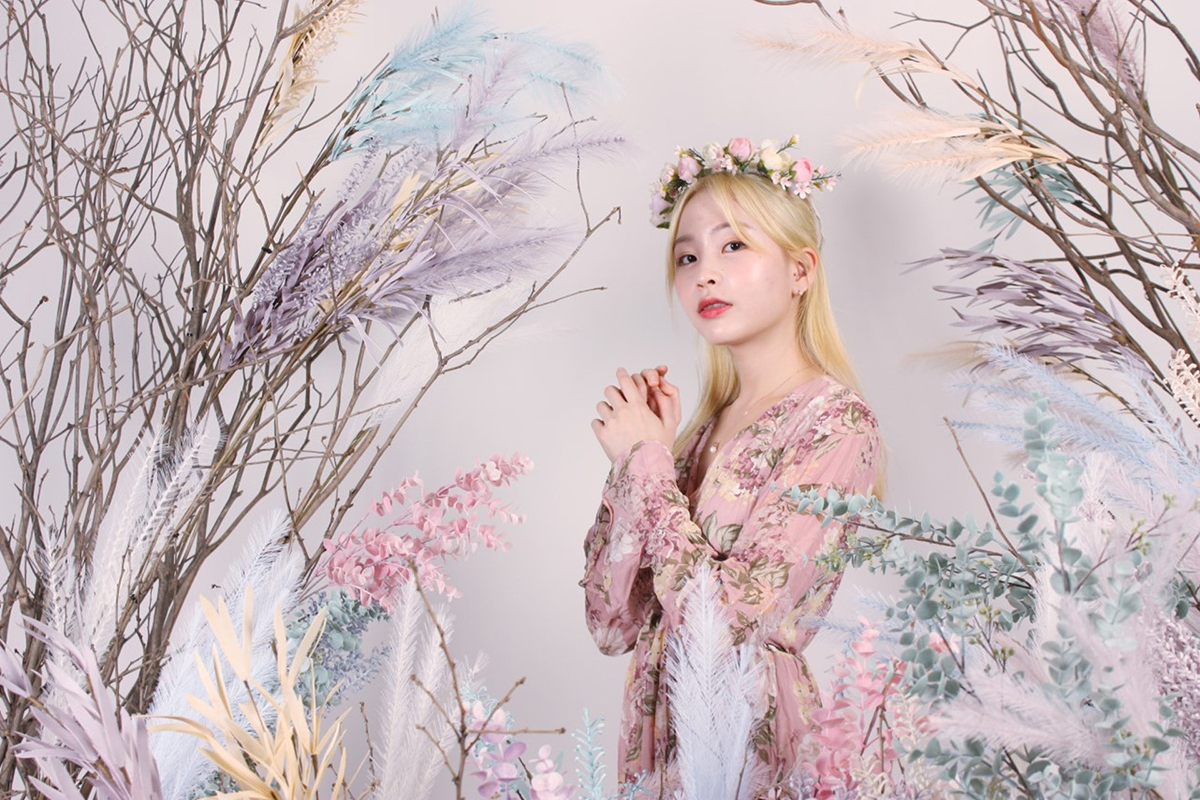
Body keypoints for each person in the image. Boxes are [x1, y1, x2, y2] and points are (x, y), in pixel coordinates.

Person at [581, 137, 885, 797]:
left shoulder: (834, 423)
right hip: (654, 754)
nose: (704, 275)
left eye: (734, 246)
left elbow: (727, 622)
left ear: (800, 270)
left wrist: (645, 465)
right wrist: (639, 460)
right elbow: (610, 624)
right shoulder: (694, 436)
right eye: (687, 256)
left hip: (750, 745)